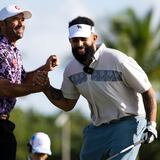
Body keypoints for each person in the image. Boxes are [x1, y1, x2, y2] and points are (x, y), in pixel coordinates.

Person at [41, 16, 157, 160]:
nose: (80, 44)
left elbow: (148, 91)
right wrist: (46, 87)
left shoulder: (118, 60)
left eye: (84, 39)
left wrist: (151, 124)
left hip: (128, 123)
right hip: (98, 129)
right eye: (75, 40)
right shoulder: (71, 69)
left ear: (94, 37)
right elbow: (67, 103)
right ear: (70, 41)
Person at [0, 4, 57, 160]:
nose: (21, 23)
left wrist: (45, 68)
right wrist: (35, 88)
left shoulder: (14, 51)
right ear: (1, 24)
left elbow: (22, 79)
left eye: (22, 19)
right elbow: (4, 88)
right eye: (15, 19)